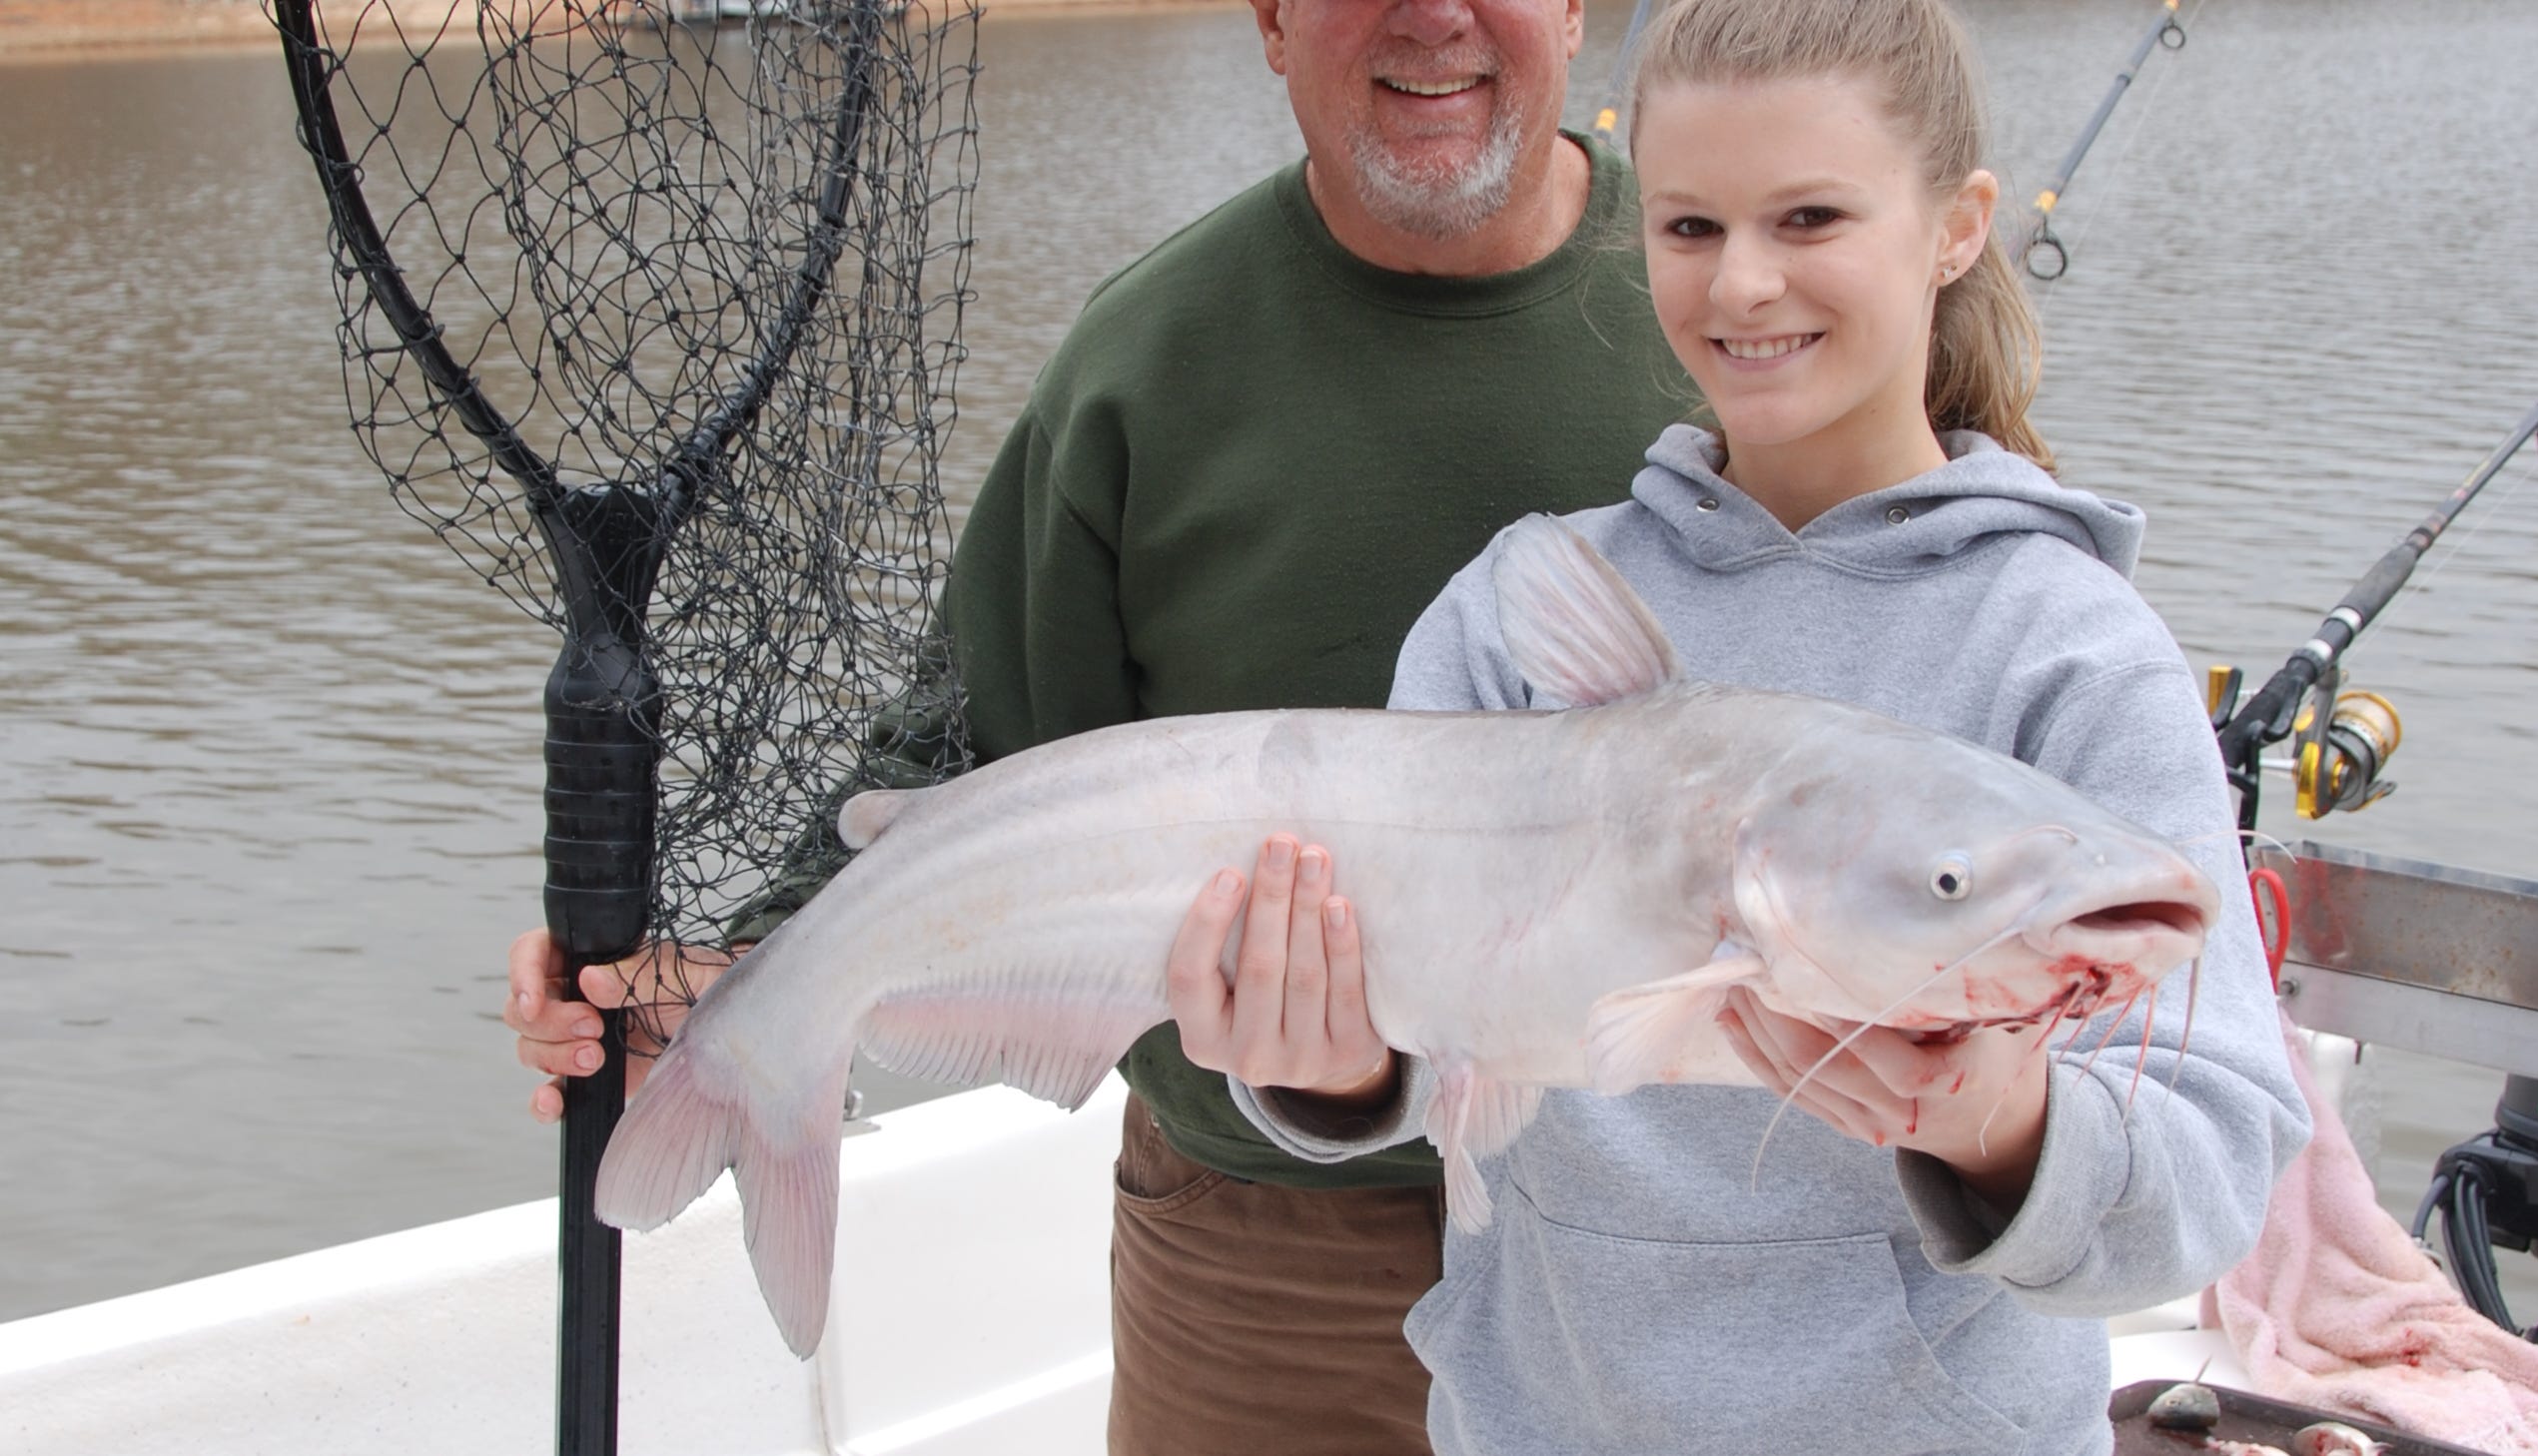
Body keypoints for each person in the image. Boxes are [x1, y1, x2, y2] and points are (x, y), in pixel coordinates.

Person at [501, 0, 1691, 1449]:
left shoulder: (1739, 308)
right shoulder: (1145, 363)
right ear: (1268, 18)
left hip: (1701, 1234)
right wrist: (731, 985)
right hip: (1263, 1256)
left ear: (1577, 6)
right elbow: (962, 742)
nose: (1429, 14)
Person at [1163, 0, 2315, 1450]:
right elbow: (1432, 1063)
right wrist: (1322, 1057)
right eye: (1693, 227)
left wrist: (1995, 1119)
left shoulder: (2073, 653)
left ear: (1958, 226)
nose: (1746, 283)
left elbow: (2215, 1169)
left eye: (1813, 216)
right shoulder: (1517, 612)